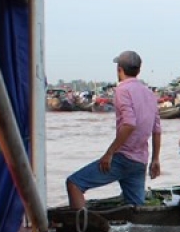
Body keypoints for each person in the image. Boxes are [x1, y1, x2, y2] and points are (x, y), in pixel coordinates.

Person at [66, 51, 161, 209]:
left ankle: (82, 229)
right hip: (140, 161)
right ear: (138, 70)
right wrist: (155, 159)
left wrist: (109, 153)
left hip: (122, 158)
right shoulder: (149, 93)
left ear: (119, 69)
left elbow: (129, 124)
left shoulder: (122, 90)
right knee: (136, 208)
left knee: (74, 183)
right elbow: (156, 129)